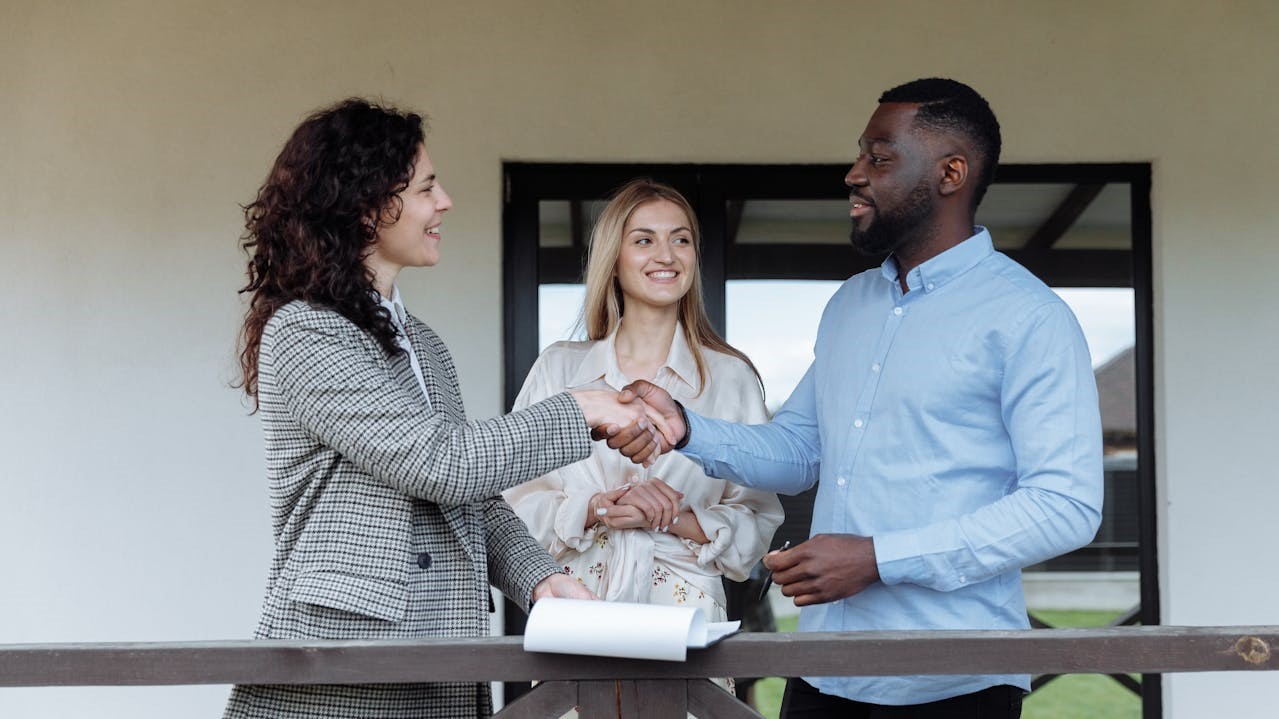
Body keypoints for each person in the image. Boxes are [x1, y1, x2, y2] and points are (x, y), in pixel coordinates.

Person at [606, 79, 1104, 718]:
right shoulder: (850, 305)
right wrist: (687, 429)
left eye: (880, 157)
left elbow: (1065, 505)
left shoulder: (1030, 318)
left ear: (952, 173)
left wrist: (878, 559)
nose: (854, 174)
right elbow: (800, 449)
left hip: (955, 683)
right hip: (823, 673)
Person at [222, 99, 665, 719]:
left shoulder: (423, 343)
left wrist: (539, 578)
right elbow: (440, 462)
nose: (445, 202)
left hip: (444, 655)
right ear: (368, 205)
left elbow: (470, 497)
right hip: (343, 663)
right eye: (427, 187)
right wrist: (580, 408)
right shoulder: (306, 333)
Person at [503, 180, 784, 693]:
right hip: (577, 611)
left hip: (686, 619)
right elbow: (510, 510)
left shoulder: (731, 379)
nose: (666, 255)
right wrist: (596, 507)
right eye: (644, 239)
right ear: (613, 259)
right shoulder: (559, 370)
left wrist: (676, 517)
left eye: (681, 239)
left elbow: (758, 521)